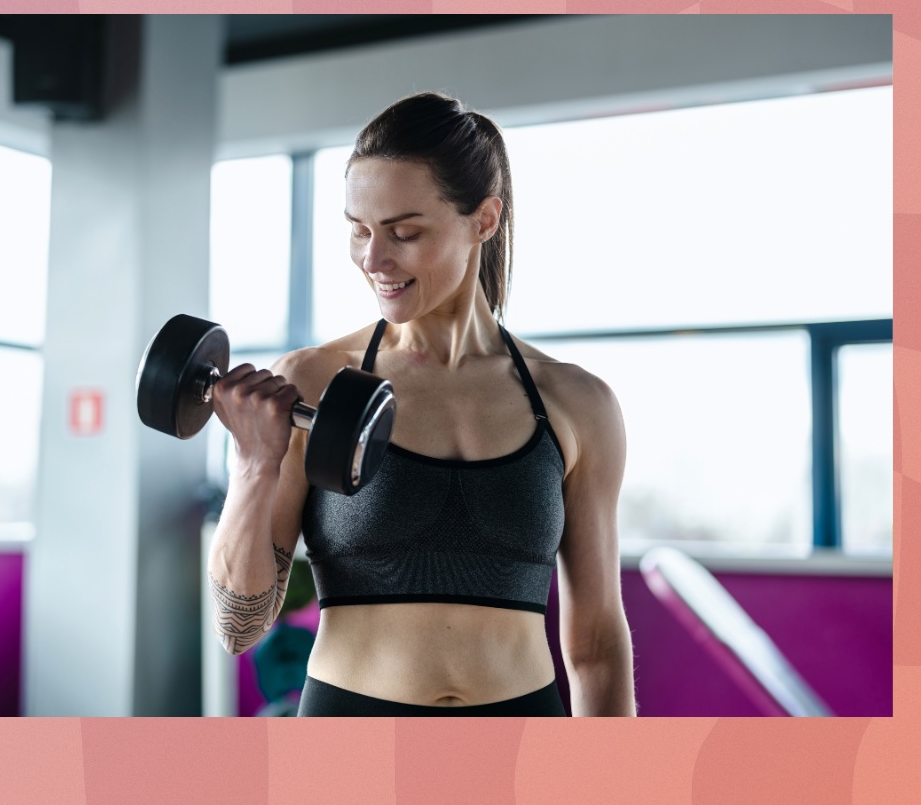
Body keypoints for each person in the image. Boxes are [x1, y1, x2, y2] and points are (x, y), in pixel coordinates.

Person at [206, 92, 635, 716]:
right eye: (359, 231)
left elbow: (596, 645)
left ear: (483, 221)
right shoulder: (316, 381)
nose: (374, 260)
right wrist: (252, 466)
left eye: (405, 233)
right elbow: (236, 626)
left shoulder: (576, 403)